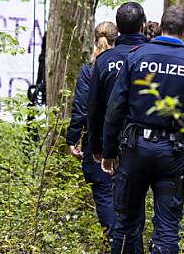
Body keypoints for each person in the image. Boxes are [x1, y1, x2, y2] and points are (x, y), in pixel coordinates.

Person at [101, 6, 184, 254]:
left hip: (134, 150)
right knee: (167, 227)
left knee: (126, 223)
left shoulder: (136, 57)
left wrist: (109, 151)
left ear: (160, 26)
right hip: (172, 155)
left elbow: (115, 108)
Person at [66, 21, 119, 234]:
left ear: (94, 41)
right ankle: (126, 240)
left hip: (96, 142)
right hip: (127, 141)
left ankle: (115, 239)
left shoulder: (89, 71)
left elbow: (81, 108)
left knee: (104, 193)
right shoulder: (130, 65)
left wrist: (73, 139)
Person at [87, 3, 150, 164]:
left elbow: (94, 107)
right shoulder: (153, 56)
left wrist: (97, 146)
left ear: (119, 29)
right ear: (143, 26)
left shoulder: (103, 60)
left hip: (116, 142)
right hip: (152, 143)